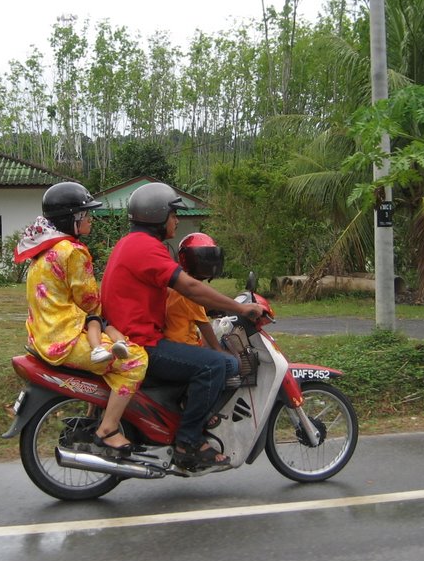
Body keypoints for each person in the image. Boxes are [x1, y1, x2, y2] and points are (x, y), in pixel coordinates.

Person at [101, 182, 265, 469]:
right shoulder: (146, 247)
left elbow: (173, 293)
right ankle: (187, 443)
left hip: (130, 335)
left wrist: (216, 306)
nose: (177, 220)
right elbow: (188, 286)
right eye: (174, 214)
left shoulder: (131, 243)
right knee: (215, 364)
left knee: (218, 362)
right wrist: (239, 307)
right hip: (143, 343)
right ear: (158, 215)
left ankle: (183, 416)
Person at [15, 181, 147, 455]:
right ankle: (108, 429)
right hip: (65, 338)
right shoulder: (72, 251)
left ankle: (95, 415)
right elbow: (89, 301)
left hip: (42, 335)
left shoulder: (42, 247)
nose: (90, 219)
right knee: (135, 360)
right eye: (85, 214)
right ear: (72, 219)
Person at [164, 233, 242, 389]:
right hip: (183, 347)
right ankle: (210, 399)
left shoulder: (181, 283)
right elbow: (207, 332)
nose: (208, 262)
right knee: (232, 363)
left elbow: (196, 309)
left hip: (174, 343)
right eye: (203, 258)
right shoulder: (191, 292)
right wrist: (221, 352)